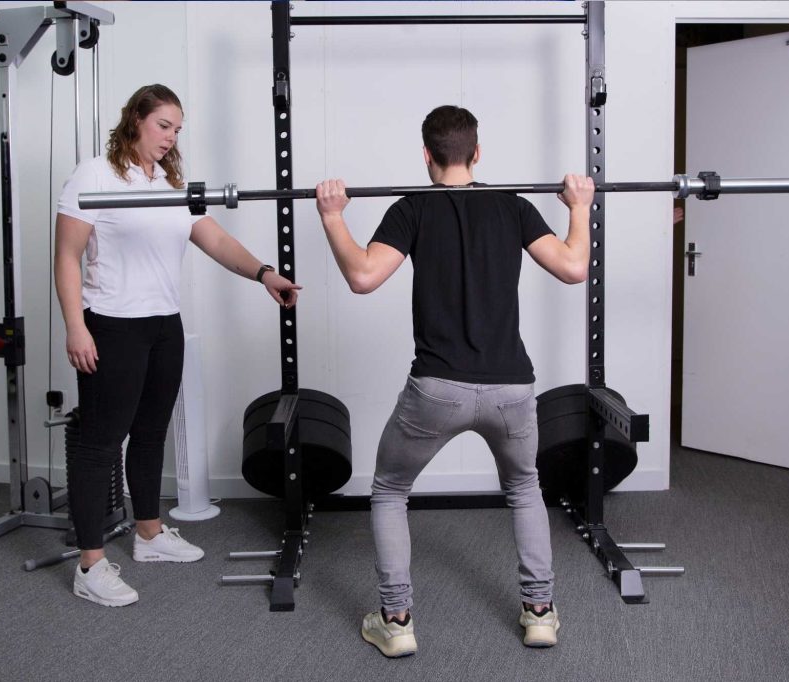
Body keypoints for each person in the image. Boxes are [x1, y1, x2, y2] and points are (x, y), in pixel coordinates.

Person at [314, 105, 593, 656]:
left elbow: (363, 276)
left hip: (436, 390)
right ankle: (539, 612)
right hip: (512, 390)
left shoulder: (413, 207)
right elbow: (573, 266)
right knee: (524, 488)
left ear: (426, 155)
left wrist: (332, 218)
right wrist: (579, 208)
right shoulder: (511, 205)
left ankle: (396, 622)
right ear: (477, 153)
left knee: (390, 490)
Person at [55, 84, 301, 607]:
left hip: (163, 324)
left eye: (177, 129)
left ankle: (148, 534)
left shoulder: (170, 181)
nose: (171, 137)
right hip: (112, 324)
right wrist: (76, 327)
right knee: (102, 441)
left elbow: (211, 237)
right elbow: (67, 256)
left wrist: (263, 274)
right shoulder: (94, 175)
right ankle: (90, 564)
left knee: (149, 434)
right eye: (164, 125)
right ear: (136, 120)